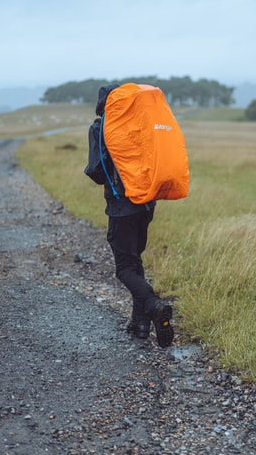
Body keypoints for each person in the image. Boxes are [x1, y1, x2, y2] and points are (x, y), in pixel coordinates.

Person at [88, 84, 174, 348]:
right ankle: (139, 325)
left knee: (124, 269)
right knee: (135, 261)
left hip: (121, 207)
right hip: (147, 204)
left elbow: (96, 170)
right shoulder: (141, 124)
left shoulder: (100, 127)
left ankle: (154, 305)